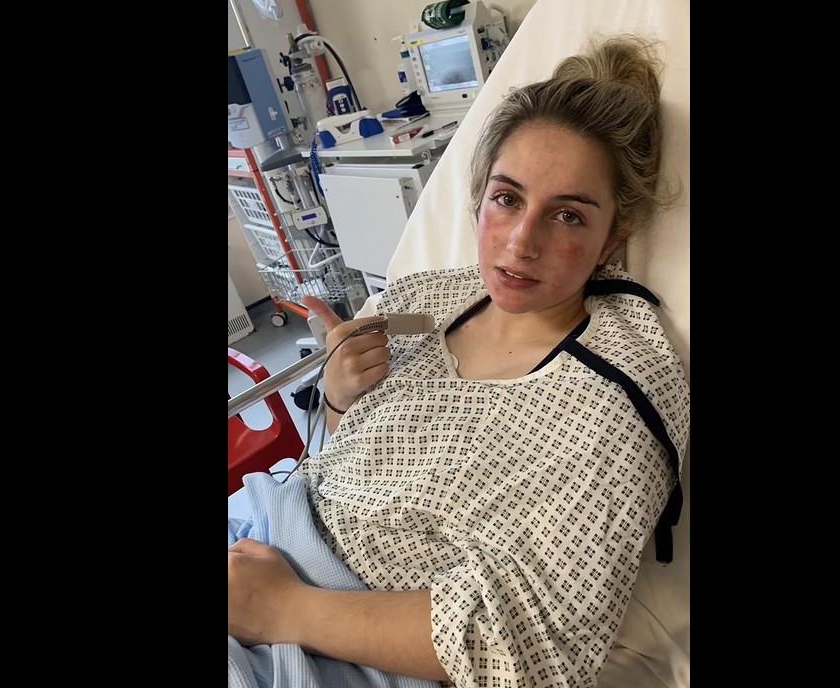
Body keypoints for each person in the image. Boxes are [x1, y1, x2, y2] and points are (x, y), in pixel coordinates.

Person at [228, 35, 690, 688]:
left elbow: (529, 646)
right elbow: (340, 463)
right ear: (479, 197)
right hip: (265, 531)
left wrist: (284, 609)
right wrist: (337, 398)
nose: (522, 243)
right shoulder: (426, 300)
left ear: (614, 235)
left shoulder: (619, 397)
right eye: (508, 198)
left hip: (340, 644)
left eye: (567, 216)